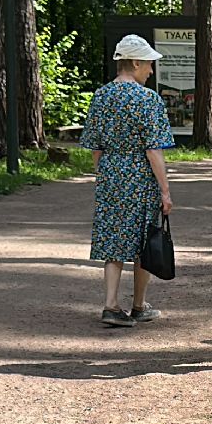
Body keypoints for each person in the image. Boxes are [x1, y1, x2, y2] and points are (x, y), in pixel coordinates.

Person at [81, 34, 176, 327]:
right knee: (143, 239)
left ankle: (110, 305)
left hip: (110, 173)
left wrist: (104, 173)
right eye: (148, 64)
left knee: (114, 237)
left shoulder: (101, 95)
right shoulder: (148, 99)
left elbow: (95, 145)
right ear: (134, 62)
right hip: (140, 175)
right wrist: (165, 190)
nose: (150, 70)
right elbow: (153, 149)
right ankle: (138, 305)